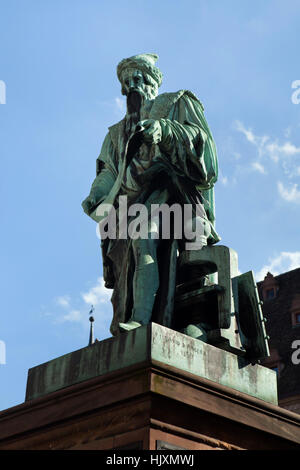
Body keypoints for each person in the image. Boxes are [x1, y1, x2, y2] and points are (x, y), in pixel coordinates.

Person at [82, 53, 220, 335]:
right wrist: (97, 193)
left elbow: (203, 146)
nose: (133, 86)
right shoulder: (116, 133)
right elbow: (110, 170)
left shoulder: (177, 103)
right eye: (127, 82)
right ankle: (140, 321)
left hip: (176, 195)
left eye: (139, 79)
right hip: (133, 204)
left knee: (144, 236)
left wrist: (166, 131)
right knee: (137, 241)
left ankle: (145, 320)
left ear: (154, 83)